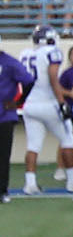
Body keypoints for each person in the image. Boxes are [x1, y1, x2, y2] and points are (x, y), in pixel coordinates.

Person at [19, 25, 73, 194]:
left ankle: (30, 183)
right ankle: (71, 181)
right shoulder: (51, 52)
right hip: (48, 103)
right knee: (69, 139)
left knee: (33, 145)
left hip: (30, 104)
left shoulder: (26, 54)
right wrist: (62, 102)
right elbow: (53, 78)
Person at [0, 41, 34, 201]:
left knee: (3, 155)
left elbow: (28, 81)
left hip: (4, 115)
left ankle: (2, 190)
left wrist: (18, 102)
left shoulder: (10, 62)